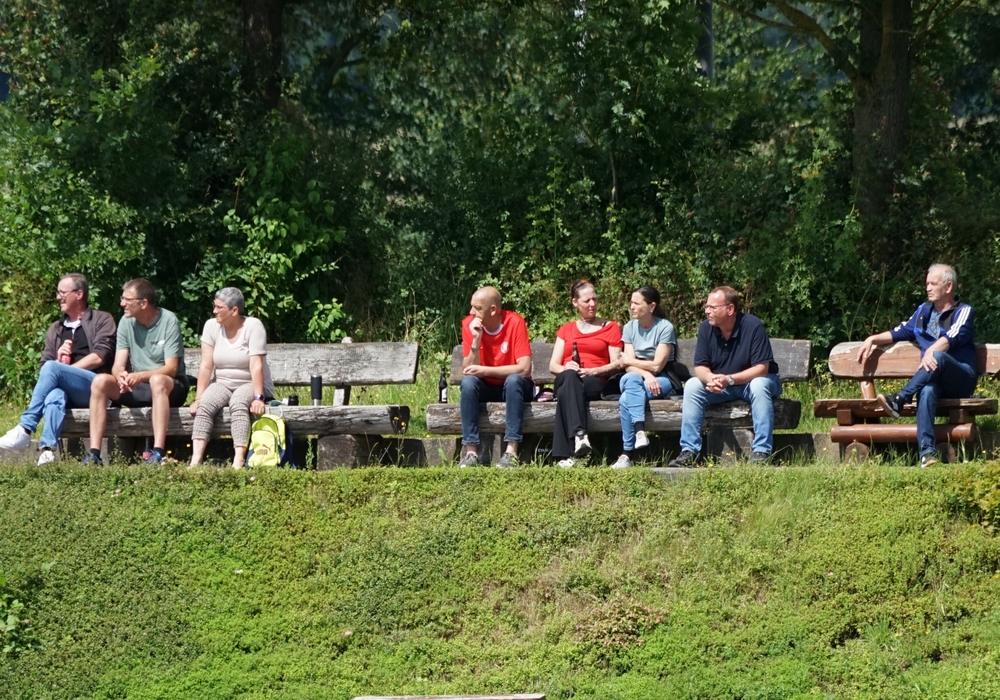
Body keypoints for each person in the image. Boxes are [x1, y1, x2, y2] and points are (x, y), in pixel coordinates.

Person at [857, 264, 975, 467]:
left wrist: (931, 351)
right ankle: (927, 454)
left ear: (948, 286)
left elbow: (952, 337)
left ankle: (901, 398)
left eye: (933, 284)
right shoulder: (922, 311)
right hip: (933, 379)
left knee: (938, 356)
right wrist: (872, 339)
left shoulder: (964, 311)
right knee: (926, 391)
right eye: (927, 283)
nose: (928, 288)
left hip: (960, 378)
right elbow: (900, 331)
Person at [0, 274, 116, 464]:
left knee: (53, 369)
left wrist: (62, 370)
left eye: (62, 293)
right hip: (67, 392)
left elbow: (99, 356)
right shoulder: (56, 328)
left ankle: (25, 428)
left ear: (79, 294)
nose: (57, 297)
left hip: (96, 389)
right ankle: (47, 451)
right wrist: (58, 361)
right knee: (54, 396)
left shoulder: (102, 319)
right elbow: (44, 367)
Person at [668, 286, 781, 467]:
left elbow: (761, 369)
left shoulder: (753, 326)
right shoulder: (706, 328)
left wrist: (729, 379)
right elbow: (700, 367)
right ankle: (689, 452)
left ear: (730, 309)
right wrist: (711, 379)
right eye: (706, 307)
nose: (707, 311)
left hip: (752, 383)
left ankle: (761, 452)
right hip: (722, 386)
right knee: (692, 386)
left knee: (759, 385)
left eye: (712, 307)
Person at [84, 278, 189, 465]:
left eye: (127, 300)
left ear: (143, 303)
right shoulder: (126, 322)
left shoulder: (168, 321)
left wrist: (140, 376)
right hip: (139, 386)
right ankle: (94, 454)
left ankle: (158, 452)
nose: (122, 304)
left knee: (157, 380)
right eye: (122, 298)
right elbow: (118, 365)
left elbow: (171, 369)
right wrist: (121, 376)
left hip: (170, 387)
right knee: (100, 381)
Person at [188, 288, 275, 468]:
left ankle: (238, 459)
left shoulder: (253, 326)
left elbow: (256, 365)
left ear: (234, 310)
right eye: (214, 306)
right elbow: (206, 365)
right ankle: (195, 460)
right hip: (223, 383)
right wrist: (198, 398)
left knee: (238, 402)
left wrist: (259, 398)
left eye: (219, 308)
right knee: (205, 405)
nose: (214, 311)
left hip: (250, 383)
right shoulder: (211, 326)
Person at [549, 280, 624, 468]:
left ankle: (565, 455)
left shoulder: (609, 327)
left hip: (594, 380)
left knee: (566, 391)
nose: (592, 304)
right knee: (569, 377)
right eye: (587, 301)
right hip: (567, 376)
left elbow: (617, 364)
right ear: (575, 302)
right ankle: (579, 434)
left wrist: (593, 370)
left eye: (595, 299)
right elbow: (553, 365)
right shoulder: (566, 329)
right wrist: (567, 369)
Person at [458, 286, 533, 468]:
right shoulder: (469, 324)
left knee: (513, 380)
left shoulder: (514, 322)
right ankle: (471, 453)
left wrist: (485, 371)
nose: (471, 312)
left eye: (477, 308)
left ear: (493, 309)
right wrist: (476, 340)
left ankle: (511, 453)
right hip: (486, 387)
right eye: (471, 306)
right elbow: (468, 369)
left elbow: (524, 368)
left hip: (514, 389)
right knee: (468, 383)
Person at [611, 286, 678, 470]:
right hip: (638, 377)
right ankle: (640, 432)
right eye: (631, 303)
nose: (631, 307)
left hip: (662, 378)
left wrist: (634, 363)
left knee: (626, 398)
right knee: (631, 379)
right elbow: (628, 367)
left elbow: (657, 365)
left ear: (651, 306)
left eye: (636, 303)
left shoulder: (665, 327)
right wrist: (646, 374)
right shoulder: (629, 327)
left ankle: (627, 454)